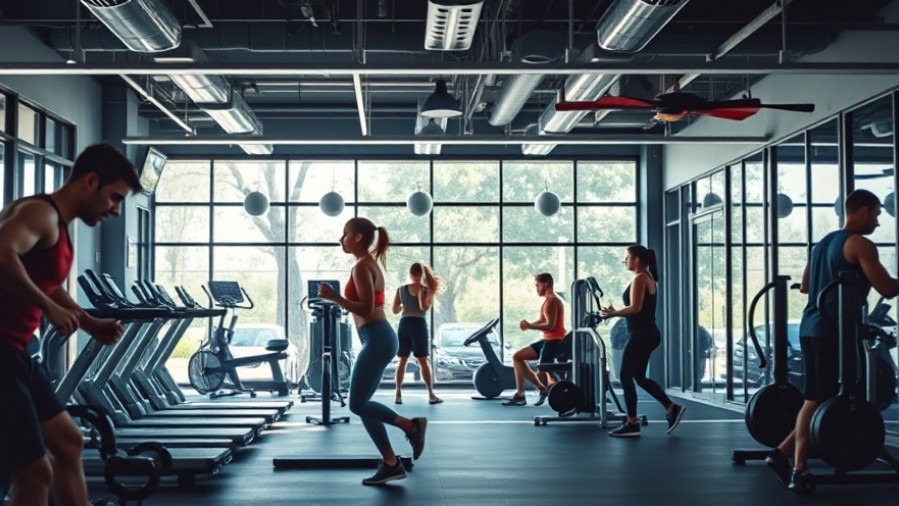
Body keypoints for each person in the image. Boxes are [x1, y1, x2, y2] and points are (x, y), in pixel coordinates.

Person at [0, 143, 140, 506]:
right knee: (34, 474)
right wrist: (46, 307)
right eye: (114, 198)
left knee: (69, 442)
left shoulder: (53, 222)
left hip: (17, 352)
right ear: (90, 181)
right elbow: (1, 253)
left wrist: (88, 321)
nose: (115, 210)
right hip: (1, 354)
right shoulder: (39, 214)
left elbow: (45, 281)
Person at [765, 189, 899, 494]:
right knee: (816, 398)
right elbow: (887, 288)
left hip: (811, 327)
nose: (878, 222)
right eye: (877, 214)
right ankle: (797, 467)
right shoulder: (860, 244)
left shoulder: (821, 244)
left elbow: (806, 286)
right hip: (833, 331)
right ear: (863, 210)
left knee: (821, 395)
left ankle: (781, 454)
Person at [317, 218, 427, 486]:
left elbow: (366, 309)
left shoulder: (361, 266)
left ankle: (410, 425)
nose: (340, 239)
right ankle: (391, 464)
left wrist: (334, 297)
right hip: (377, 337)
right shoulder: (370, 263)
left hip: (377, 337)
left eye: (344, 235)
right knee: (365, 405)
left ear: (356, 238)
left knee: (357, 404)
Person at [601, 245, 685, 437]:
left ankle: (632, 423)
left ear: (636, 260)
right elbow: (634, 308)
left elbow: (635, 308)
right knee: (638, 376)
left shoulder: (640, 278)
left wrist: (613, 314)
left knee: (624, 375)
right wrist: (615, 312)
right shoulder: (645, 278)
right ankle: (671, 408)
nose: (625, 261)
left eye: (627, 258)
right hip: (646, 333)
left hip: (642, 334)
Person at [501, 273, 566, 407]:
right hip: (547, 340)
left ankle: (556, 391)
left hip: (554, 341)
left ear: (545, 284)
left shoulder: (553, 301)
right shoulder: (548, 301)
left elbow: (551, 325)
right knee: (518, 356)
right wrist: (529, 325)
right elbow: (543, 321)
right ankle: (524, 393)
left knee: (543, 369)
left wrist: (529, 325)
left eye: (538, 285)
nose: (536, 288)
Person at [391, 261, 443, 405]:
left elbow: (395, 310)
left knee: (405, 360)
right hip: (417, 325)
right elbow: (423, 308)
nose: (416, 278)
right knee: (421, 361)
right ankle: (430, 395)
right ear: (420, 274)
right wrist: (422, 295)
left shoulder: (401, 290)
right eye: (416, 275)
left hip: (405, 324)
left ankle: (398, 394)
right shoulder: (425, 289)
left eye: (417, 275)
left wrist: (404, 304)